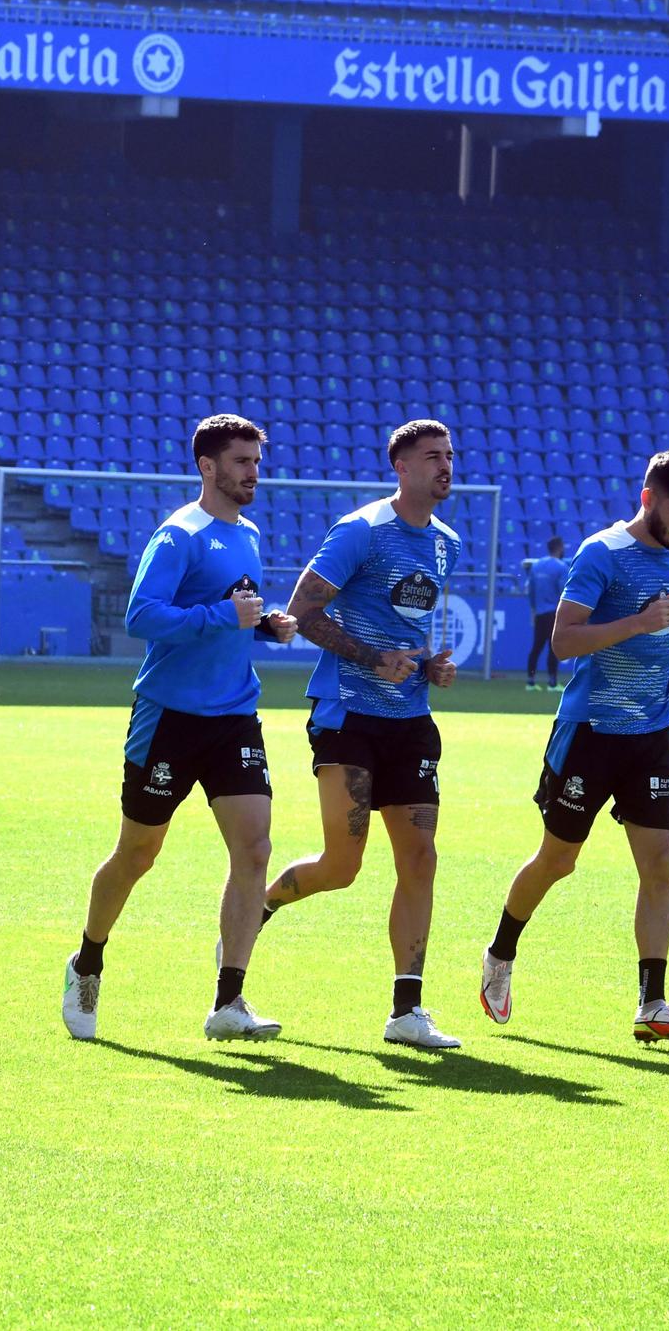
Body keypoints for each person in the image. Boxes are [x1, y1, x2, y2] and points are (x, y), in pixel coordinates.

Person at [60, 414, 298, 1043]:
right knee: (138, 853)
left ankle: (229, 1001)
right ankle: (87, 962)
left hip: (234, 716)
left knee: (254, 851)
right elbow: (142, 615)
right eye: (241, 461)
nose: (253, 472)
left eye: (256, 460)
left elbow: (232, 616)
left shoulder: (246, 533)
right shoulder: (178, 535)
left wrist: (264, 623)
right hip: (168, 718)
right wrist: (221, 616)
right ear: (208, 467)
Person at [479, 450, 669, 1044]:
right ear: (648, 498)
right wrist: (639, 624)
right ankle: (500, 955)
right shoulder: (601, 552)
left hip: (653, 732)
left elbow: (647, 629)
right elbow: (563, 641)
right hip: (591, 734)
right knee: (559, 861)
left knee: (660, 864)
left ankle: (652, 1004)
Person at [253, 419, 462, 1050]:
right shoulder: (361, 531)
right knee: (343, 866)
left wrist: (429, 665)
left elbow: (410, 624)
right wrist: (373, 658)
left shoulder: (448, 540)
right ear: (400, 467)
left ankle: (407, 1011)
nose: (445, 466)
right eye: (432, 457)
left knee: (420, 858)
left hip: (411, 719)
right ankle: (253, 913)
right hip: (347, 714)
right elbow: (302, 612)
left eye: (449, 456)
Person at [526, 536, 568, 692]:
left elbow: (530, 590)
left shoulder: (536, 566)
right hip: (554, 613)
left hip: (540, 613)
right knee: (553, 647)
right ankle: (552, 682)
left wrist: (534, 608)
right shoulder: (561, 567)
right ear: (559, 548)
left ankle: (530, 682)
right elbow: (563, 591)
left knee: (536, 647)